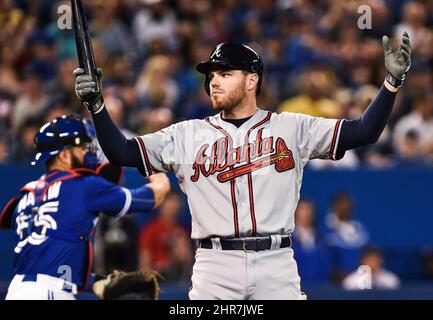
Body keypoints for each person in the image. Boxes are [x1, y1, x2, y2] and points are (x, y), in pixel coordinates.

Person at [74, 32, 411, 299]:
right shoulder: (186, 134)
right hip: (214, 264)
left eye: (225, 73)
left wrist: (390, 85)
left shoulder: (292, 128)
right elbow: (121, 152)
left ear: (252, 80)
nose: (214, 81)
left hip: (276, 261)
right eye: (211, 76)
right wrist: (98, 106)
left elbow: (365, 131)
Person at [0, 115, 170, 300]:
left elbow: (50, 262)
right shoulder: (82, 186)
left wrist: (95, 283)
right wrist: (154, 170)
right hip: (49, 293)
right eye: (81, 147)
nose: (86, 152)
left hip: (18, 291)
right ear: (64, 155)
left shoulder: (27, 194)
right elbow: (151, 197)